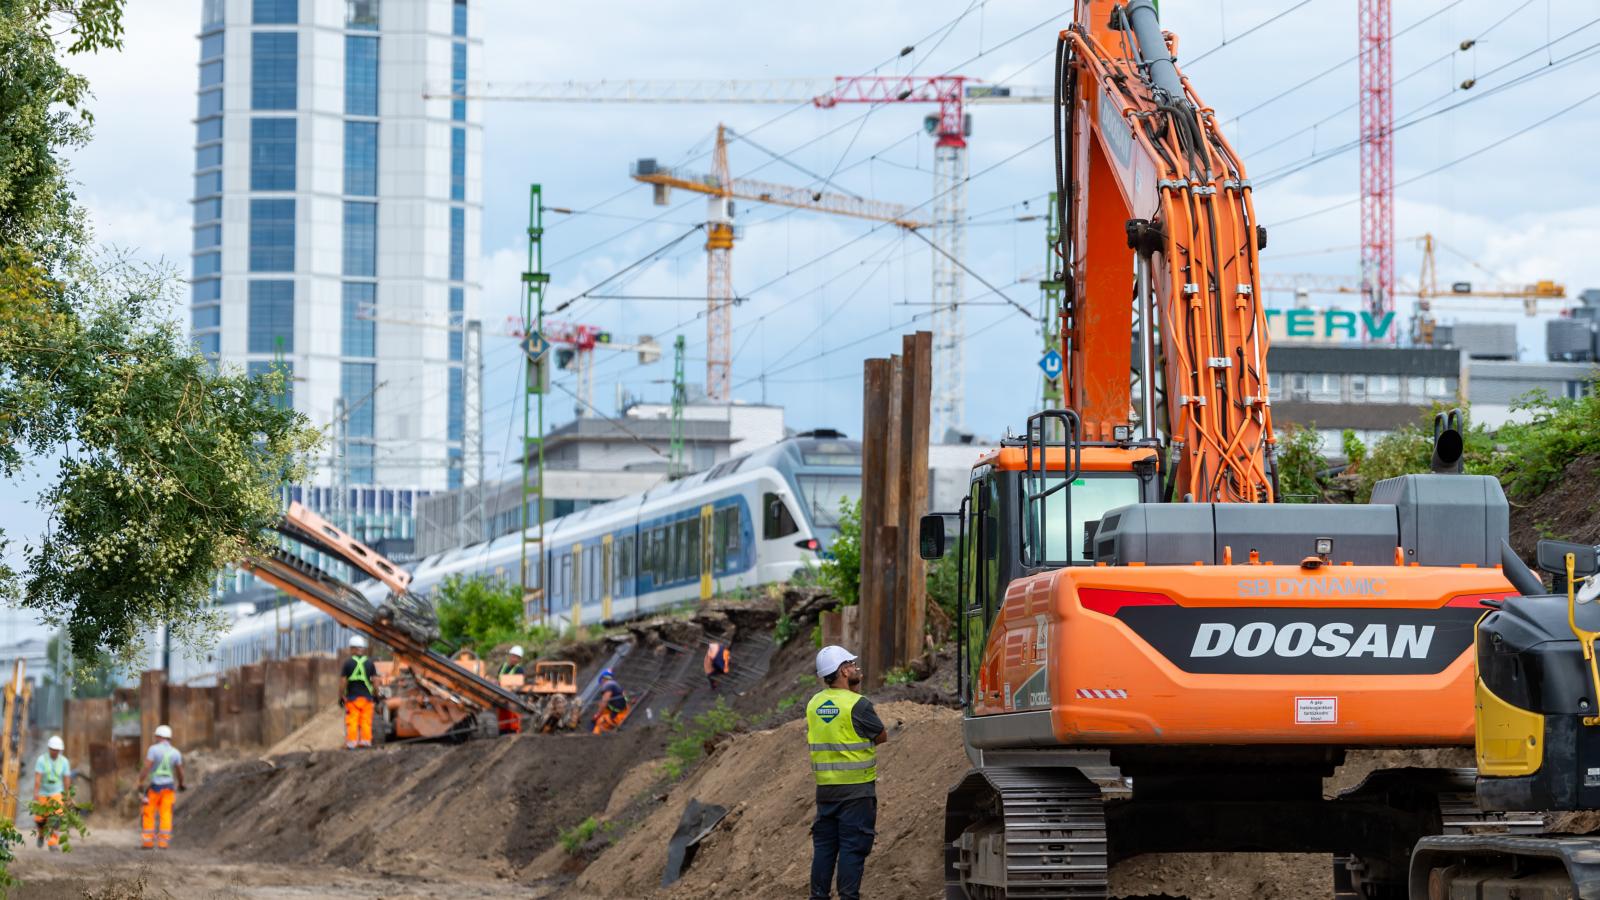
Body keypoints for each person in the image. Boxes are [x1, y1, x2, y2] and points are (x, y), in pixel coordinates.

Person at [806, 645, 887, 900]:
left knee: (824, 848)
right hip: (856, 792)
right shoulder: (858, 704)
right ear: (843, 671)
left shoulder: (814, 704)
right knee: (852, 848)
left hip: (826, 791)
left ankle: (818, 896)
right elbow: (881, 735)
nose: (856, 668)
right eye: (851, 664)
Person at [138, 724, 186, 850]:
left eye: (156, 736)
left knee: (148, 813)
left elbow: (146, 767)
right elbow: (180, 771)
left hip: (154, 788)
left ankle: (148, 843)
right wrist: (181, 783)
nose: (155, 738)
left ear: (159, 736)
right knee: (166, 814)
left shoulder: (153, 750)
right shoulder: (176, 752)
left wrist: (140, 781)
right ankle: (163, 843)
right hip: (169, 788)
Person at [31, 735, 70, 850]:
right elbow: (37, 779)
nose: (55, 752)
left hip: (57, 793)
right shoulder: (41, 760)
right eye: (53, 749)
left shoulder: (64, 762)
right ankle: (41, 835)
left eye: (57, 750)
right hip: (43, 793)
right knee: (40, 820)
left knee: (56, 818)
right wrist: (36, 794)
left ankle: (53, 842)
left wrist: (67, 795)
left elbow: (66, 779)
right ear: (49, 749)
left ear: (60, 750)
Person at [341, 634, 379, 749]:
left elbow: (343, 682)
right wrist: (376, 695)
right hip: (367, 699)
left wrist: (341, 696)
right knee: (366, 721)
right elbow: (375, 681)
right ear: (362, 648)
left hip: (352, 699)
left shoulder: (347, 663)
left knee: (352, 720)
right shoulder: (370, 663)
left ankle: (352, 743)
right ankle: (365, 742)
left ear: (352, 648)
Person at [497, 645, 526, 735]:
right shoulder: (503, 667)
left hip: (512, 695)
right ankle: (503, 730)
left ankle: (513, 730)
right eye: (513, 656)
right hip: (501, 693)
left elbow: (519, 684)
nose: (515, 659)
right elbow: (498, 679)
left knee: (512, 713)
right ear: (510, 656)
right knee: (503, 714)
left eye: (517, 658)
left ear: (519, 660)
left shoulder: (519, 669)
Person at [591, 668, 629, 734]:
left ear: (603, 679)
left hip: (618, 715)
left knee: (599, 723)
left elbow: (604, 702)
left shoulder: (608, 685)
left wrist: (597, 714)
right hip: (622, 713)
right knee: (603, 710)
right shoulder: (616, 686)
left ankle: (595, 737)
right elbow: (626, 699)